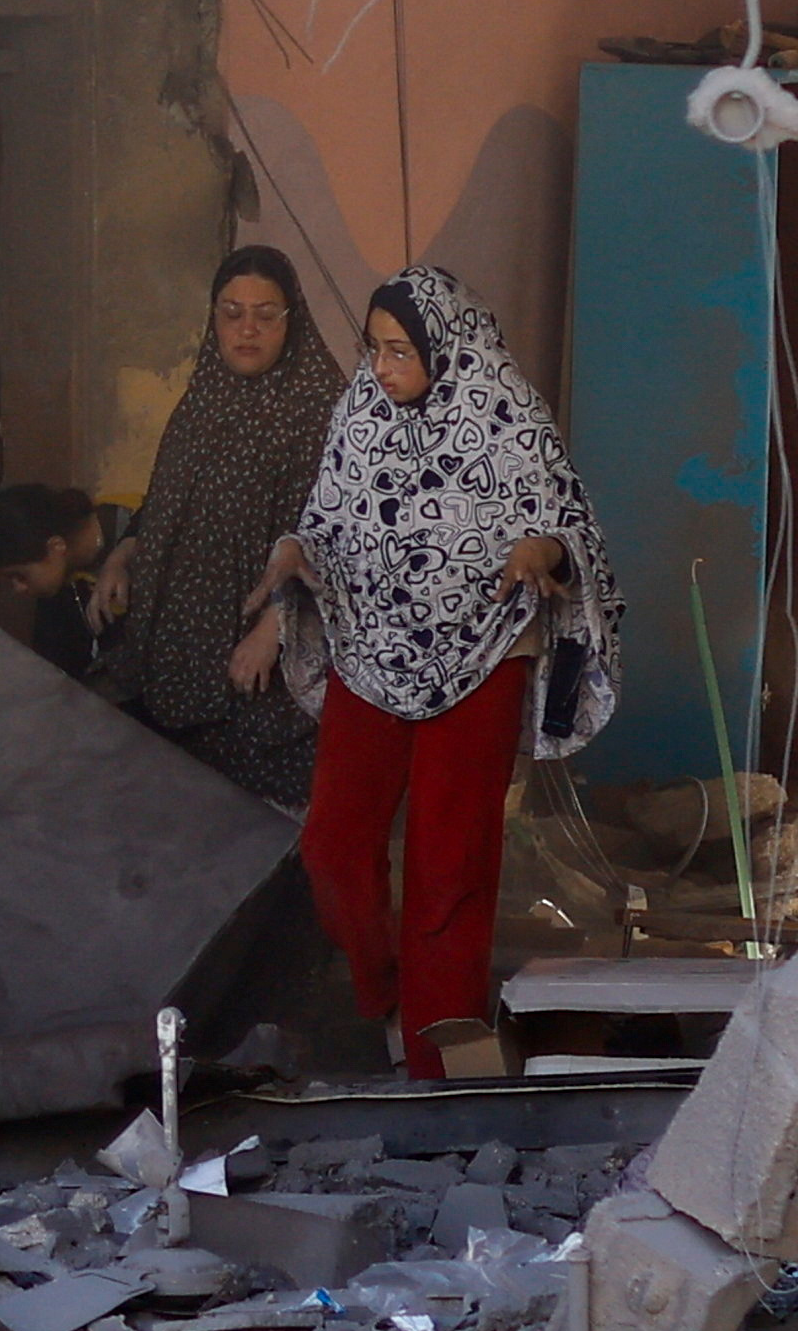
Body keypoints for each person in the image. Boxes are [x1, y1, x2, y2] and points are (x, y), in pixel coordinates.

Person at [251, 266, 620, 1079]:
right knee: (333, 845)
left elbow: (568, 526)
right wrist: (294, 551)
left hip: (484, 654)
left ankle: (437, 1052)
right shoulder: (361, 412)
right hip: (371, 649)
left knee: (450, 864)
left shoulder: (508, 415)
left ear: (444, 348)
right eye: (375, 349)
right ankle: (387, 991)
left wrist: (541, 550)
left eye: (399, 351)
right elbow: (327, 516)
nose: (382, 368)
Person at [95, 246, 342, 805]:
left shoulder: (320, 408)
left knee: (245, 819)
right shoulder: (205, 393)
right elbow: (167, 498)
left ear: (292, 318)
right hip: (179, 642)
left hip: (254, 658)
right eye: (231, 313)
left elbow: (332, 536)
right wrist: (125, 553)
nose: (247, 330)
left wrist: (274, 630)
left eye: (265, 314)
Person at [0, 484, 109, 681]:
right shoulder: (57, 595)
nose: (18, 589)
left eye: (20, 576)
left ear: (56, 547)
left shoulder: (130, 538)